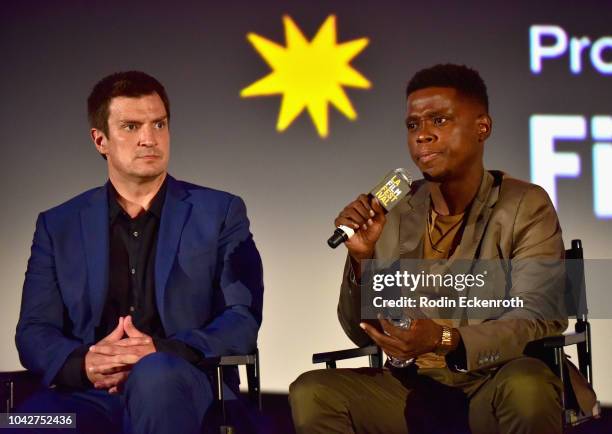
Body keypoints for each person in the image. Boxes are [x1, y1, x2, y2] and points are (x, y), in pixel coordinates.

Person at [289, 64, 593, 433]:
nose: (423, 136)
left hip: (494, 381)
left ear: (482, 128)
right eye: (413, 125)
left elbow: (540, 316)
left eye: (439, 120)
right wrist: (362, 258)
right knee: (314, 392)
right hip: (415, 388)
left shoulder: (525, 204)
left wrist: (444, 338)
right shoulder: (395, 210)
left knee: (527, 386)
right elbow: (359, 330)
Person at [15, 71, 264, 434]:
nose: (149, 139)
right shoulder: (58, 225)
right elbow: (34, 331)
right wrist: (84, 363)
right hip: (85, 394)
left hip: (183, 386)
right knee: (25, 424)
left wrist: (162, 350)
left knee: (156, 376)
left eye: (159, 124)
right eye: (131, 127)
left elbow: (242, 318)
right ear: (100, 140)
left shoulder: (220, 212)